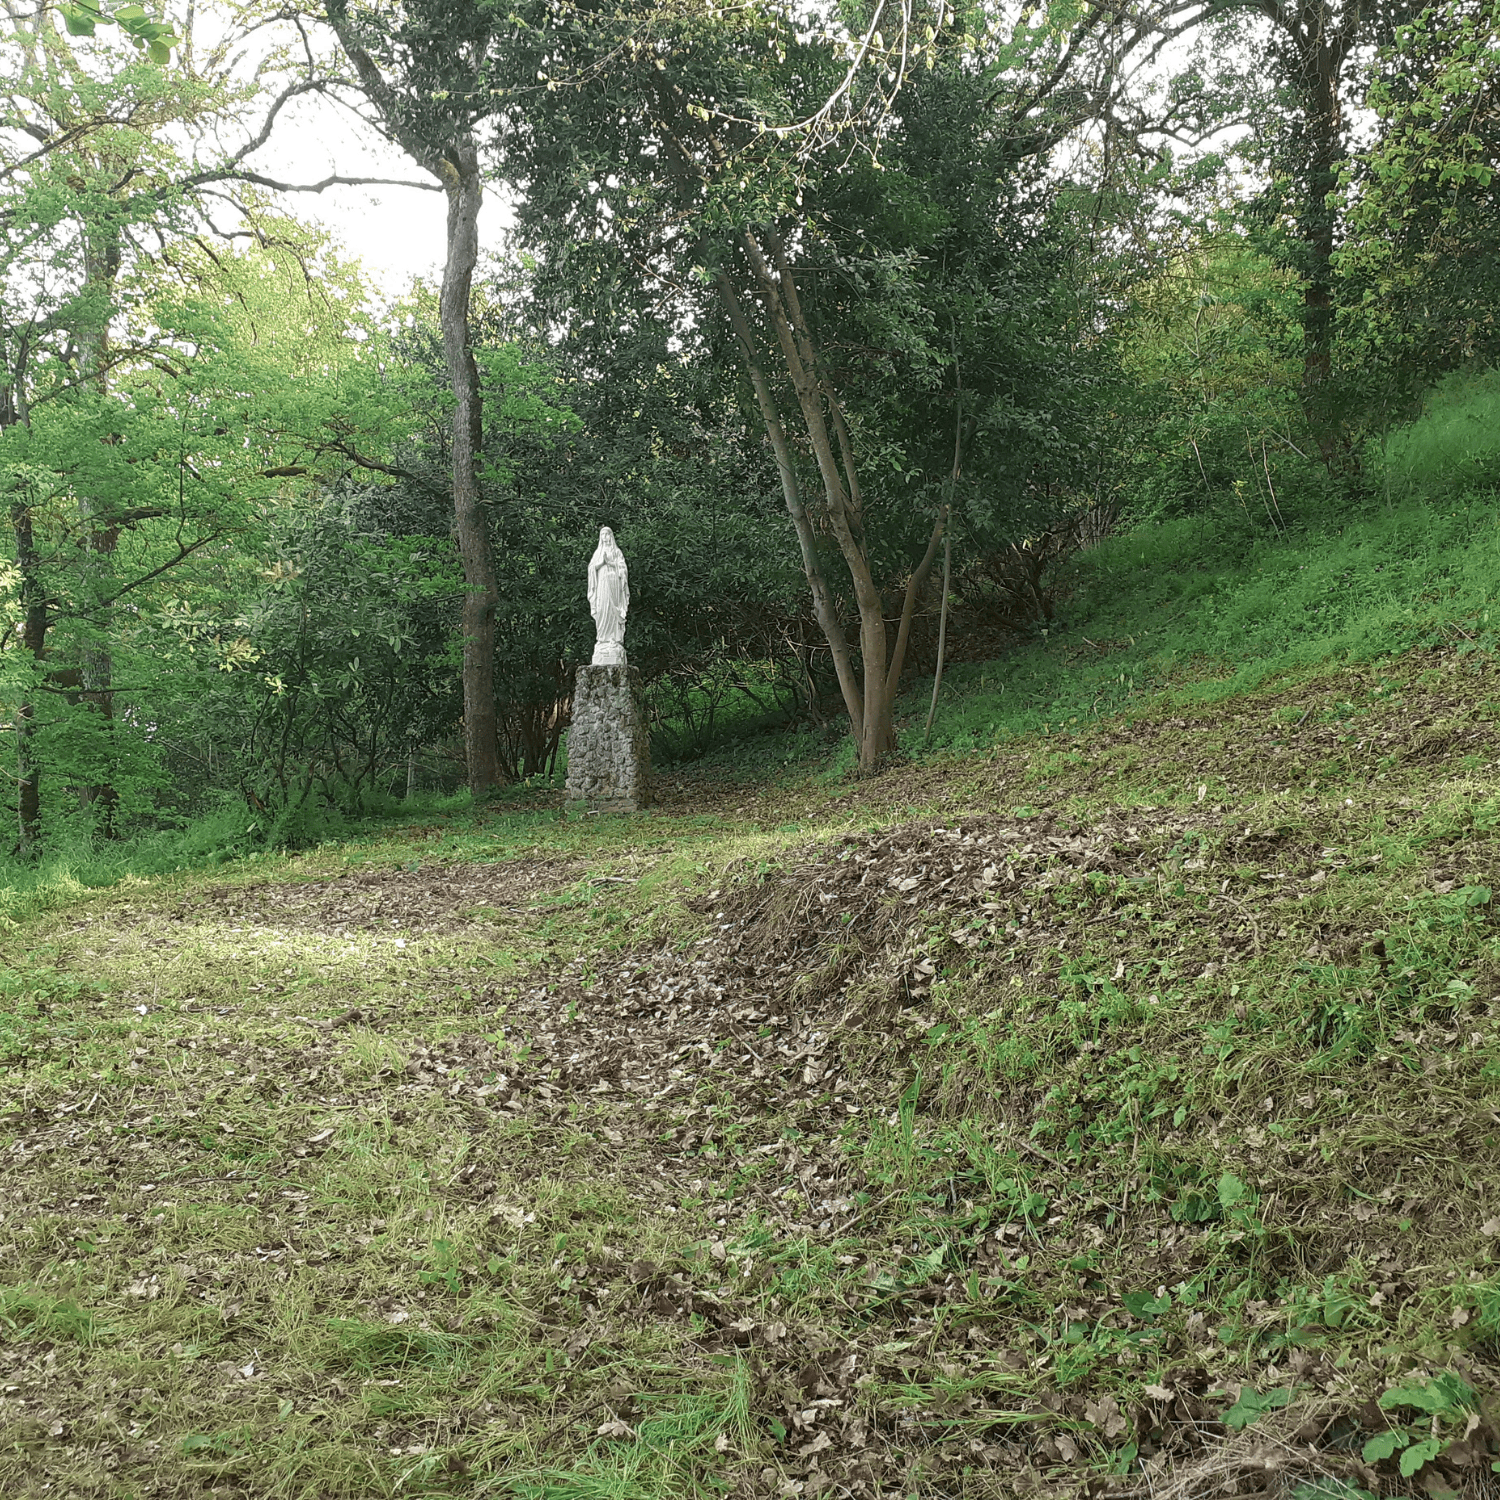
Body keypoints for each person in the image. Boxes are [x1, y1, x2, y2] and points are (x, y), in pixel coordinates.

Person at [588, 526, 629, 665]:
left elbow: (623, 569)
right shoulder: (598, 552)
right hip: (602, 585)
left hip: (613, 585)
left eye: (607, 534)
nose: (605, 537)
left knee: (612, 610)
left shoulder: (616, 552)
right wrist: (601, 563)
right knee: (602, 609)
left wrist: (611, 563)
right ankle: (602, 639)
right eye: (602, 534)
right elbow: (592, 568)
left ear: (611, 536)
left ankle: (613, 638)